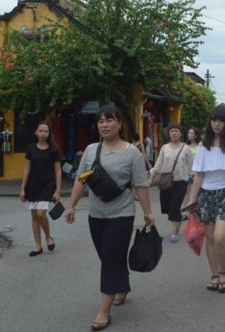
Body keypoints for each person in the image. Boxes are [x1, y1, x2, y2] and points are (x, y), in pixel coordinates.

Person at [64, 104, 154, 331]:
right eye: (101, 121)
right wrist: (71, 205)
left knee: (111, 260)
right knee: (108, 257)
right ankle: (121, 287)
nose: (104, 125)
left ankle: (104, 312)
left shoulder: (132, 152)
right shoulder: (91, 150)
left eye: (109, 120)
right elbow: (80, 180)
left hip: (121, 215)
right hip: (96, 215)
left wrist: (147, 212)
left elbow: (140, 185)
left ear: (120, 123)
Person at [184, 105, 225, 293]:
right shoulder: (204, 146)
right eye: (213, 120)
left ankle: (223, 271)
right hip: (206, 195)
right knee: (210, 238)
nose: (216, 124)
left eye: (220, 121)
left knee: (220, 237)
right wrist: (191, 202)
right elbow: (198, 175)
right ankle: (214, 274)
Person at [19, 121, 61, 257]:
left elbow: (58, 171)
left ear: (49, 134)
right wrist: (22, 189)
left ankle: (48, 237)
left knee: (41, 213)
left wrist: (58, 190)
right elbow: (27, 169)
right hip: (32, 185)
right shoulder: (31, 148)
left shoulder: (53, 149)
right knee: (34, 217)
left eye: (46, 131)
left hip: (47, 185)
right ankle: (38, 246)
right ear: (36, 132)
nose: (43, 133)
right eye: (41, 130)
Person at [148, 124, 194, 243]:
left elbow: (191, 168)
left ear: (181, 134)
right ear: (168, 134)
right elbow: (158, 165)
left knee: (174, 206)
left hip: (181, 182)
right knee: (167, 206)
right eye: (172, 131)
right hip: (166, 181)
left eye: (176, 131)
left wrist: (191, 183)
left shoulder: (186, 148)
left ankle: (174, 232)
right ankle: (177, 219)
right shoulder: (164, 148)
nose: (174, 133)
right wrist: (151, 179)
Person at [182, 127, 202, 208]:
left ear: (196, 135)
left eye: (191, 133)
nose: (189, 134)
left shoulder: (200, 147)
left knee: (196, 192)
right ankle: (186, 211)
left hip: (197, 173)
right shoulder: (184, 146)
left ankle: (195, 210)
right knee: (186, 192)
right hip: (187, 172)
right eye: (188, 133)